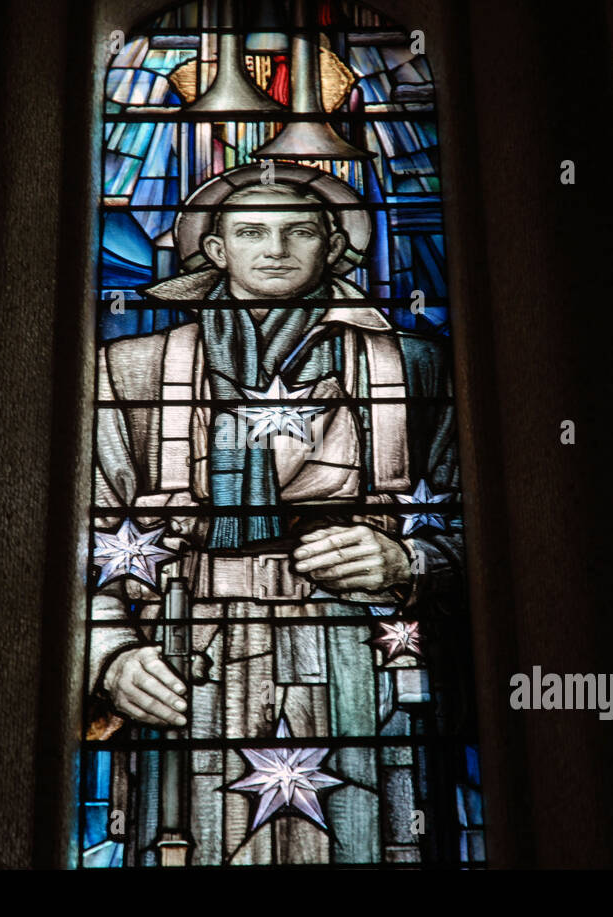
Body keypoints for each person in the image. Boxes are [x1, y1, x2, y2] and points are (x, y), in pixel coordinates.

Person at [89, 165, 470, 866]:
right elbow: (79, 544)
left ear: (334, 245)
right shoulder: (128, 371)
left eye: (300, 231)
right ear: (214, 250)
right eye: (251, 231)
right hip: (185, 656)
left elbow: (488, 537)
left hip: (366, 656)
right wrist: (111, 656)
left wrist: (410, 561)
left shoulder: (417, 367)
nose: (276, 248)